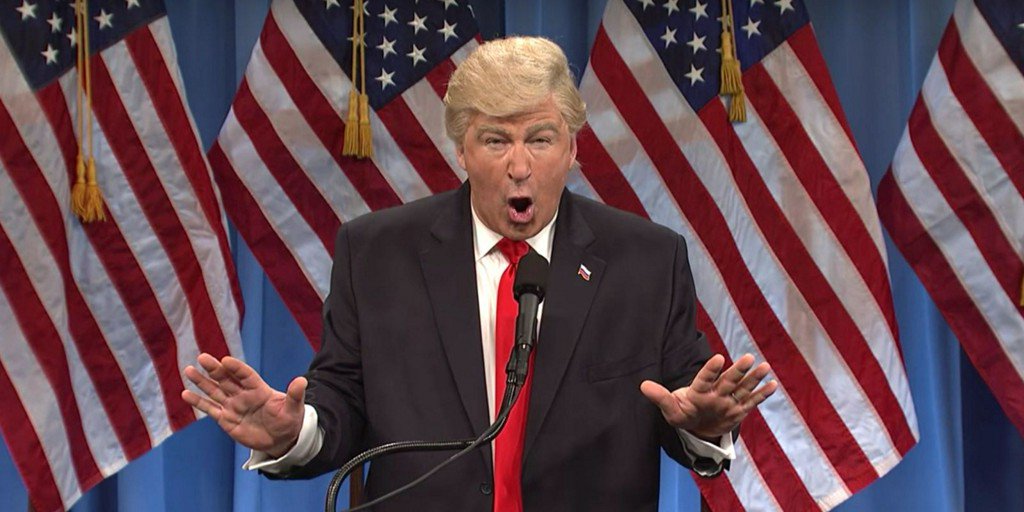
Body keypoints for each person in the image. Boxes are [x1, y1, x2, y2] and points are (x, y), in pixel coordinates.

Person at [182, 36, 777, 511]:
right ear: (461, 151)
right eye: (496, 140)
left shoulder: (646, 260)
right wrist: (294, 433)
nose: (519, 166)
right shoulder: (376, 254)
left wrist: (704, 426)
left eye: (540, 139)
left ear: (572, 149)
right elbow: (342, 402)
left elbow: (681, 406)